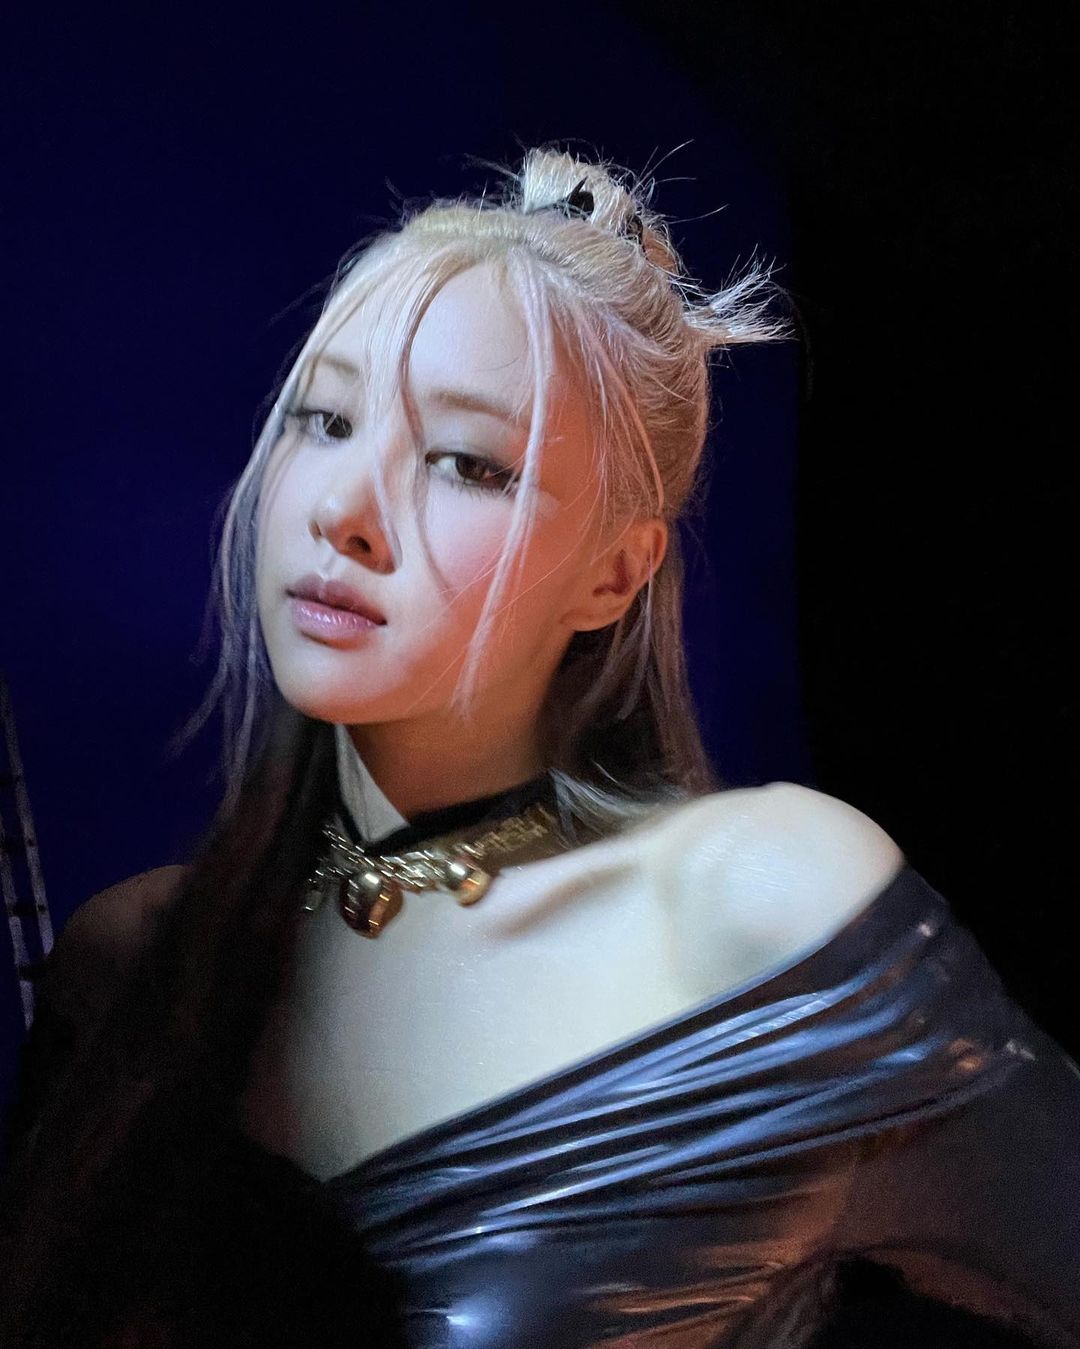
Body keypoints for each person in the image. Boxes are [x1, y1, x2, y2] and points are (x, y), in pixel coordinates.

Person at [1, 146, 1077, 1348]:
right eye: (327, 418)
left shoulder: (755, 920)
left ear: (614, 573)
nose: (343, 511)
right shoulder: (129, 961)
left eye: (466, 462)